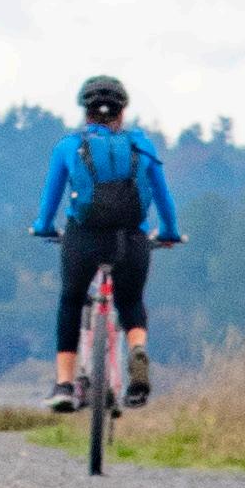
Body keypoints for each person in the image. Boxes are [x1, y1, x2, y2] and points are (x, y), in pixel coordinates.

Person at [33, 75, 179, 411]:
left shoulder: (69, 146)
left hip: (83, 240)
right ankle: (137, 349)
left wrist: (44, 228)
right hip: (131, 240)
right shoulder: (141, 146)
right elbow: (163, 197)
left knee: (71, 300)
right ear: (122, 112)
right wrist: (169, 232)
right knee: (130, 301)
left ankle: (65, 385)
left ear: (86, 113)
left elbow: (49, 201)